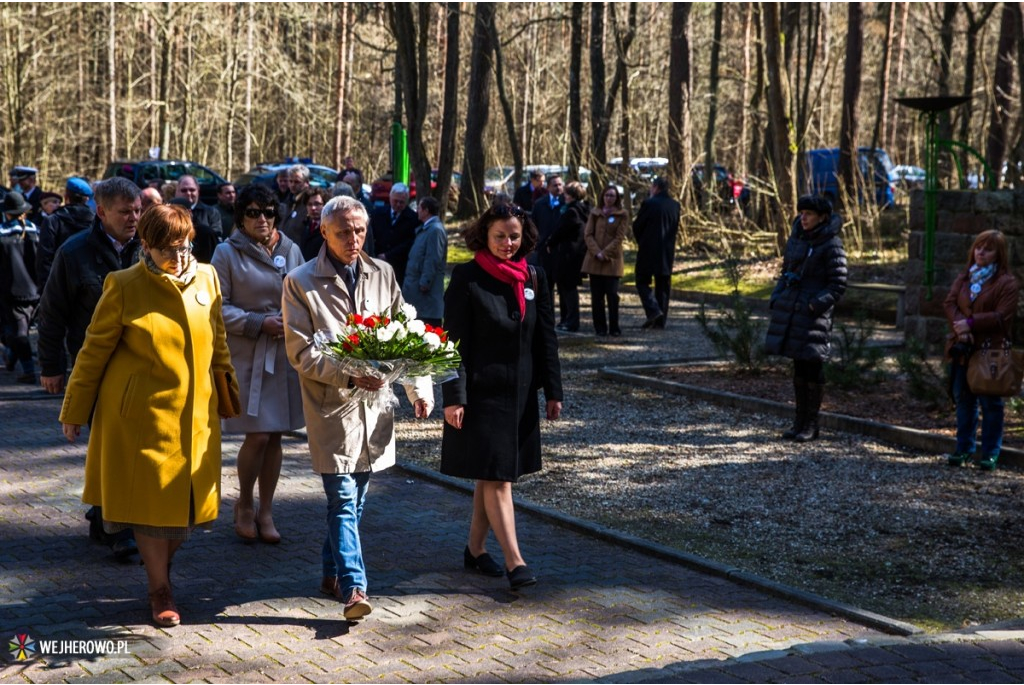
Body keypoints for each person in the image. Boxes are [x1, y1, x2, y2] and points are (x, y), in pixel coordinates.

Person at [59, 203, 236, 627]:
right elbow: (93, 351)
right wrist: (75, 409)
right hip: (141, 419)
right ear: (146, 245)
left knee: (184, 510)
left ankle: (160, 575)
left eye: (184, 245)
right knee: (149, 508)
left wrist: (227, 392)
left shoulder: (207, 278)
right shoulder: (122, 285)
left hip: (196, 419)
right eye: (167, 249)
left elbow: (219, 340)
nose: (178, 257)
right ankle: (160, 590)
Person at [282, 195, 433, 621]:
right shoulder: (299, 282)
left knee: (357, 497)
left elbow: (407, 332)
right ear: (324, 231)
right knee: (343, 499)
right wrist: (348, 375)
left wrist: (418, 389)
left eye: (360, 230)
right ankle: (354, 588)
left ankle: (331, 572)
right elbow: (301, 353)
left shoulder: (382, 272)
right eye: (344, 231)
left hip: (377, 405)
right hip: (333, 405)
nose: (353, 238)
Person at [441, 204, 563, 591]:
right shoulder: (467, 277)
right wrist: (454, 396)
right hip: (481, 396)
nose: (508, 243)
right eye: (500, 236)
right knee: (498, 478)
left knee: (490, 475)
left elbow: (546, 338)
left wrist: (553, 392)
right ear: (485, 235)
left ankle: (474, 550)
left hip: (521, 394)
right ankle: (516, 561)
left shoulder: (535, 277)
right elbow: (452, 344)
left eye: (514, 236)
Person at [37, 176, 143, 562]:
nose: (134, 218)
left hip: (140, 369)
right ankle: (117, 528)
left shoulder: (148, 249)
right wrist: (51, 367)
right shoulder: (74, 252)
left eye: (137, 210)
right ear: (101, 212)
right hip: (94, 366)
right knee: (108, 446)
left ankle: (106, 517)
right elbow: (52, 314)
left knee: (125, 447)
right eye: (124, 212)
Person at [212, 184, 305, 544]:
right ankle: (244, 503)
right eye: (252, 212)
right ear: (240, 216)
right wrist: (257, 322)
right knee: (258, 434)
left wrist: (293, 321)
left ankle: (267, 509)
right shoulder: (226, 252)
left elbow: (304, 294)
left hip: (283, 354)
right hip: (249, 354)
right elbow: (217, 307)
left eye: (267, 211)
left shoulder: (291, 249)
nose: (261, 219)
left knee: (276, 435)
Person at [764, 194, 847, 443]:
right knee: (799, 367)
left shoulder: (832, 244)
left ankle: (811, 424)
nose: (803, 218)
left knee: (813, 367)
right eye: (802, 213)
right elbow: (785, 271)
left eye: (808, 214)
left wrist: (813, 305)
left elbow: (838, 284)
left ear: (821, 217)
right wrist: (777, 297)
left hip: (813, 317)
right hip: (793, 312)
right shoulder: (797, 239)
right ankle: (799, 422)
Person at [943, 230, 1019, 471]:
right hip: (963, 348)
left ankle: (990, 453)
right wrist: (961, 328)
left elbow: (1001, 316)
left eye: (987, 249)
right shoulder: (966, 276)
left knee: (990, 403)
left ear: (999, 254)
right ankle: (963, 448)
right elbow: (950, 303)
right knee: (964, 401)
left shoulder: (1007, 283)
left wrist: (972, 323)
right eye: (978, 247)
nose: (981, 252)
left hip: (989, 352)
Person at [0, 191, 41, 384]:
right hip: (35, 288)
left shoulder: (2, 232)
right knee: (19, 327)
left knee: (19, 331)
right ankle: (11, 356)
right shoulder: (35, 229)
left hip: (12, 290)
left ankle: (28, 369)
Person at [632, 176, 681, 329]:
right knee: (663, 286)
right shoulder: (675, 205)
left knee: (641, 281)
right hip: (667, 250)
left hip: (648, 248)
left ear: (655, 187)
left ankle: (653, 310)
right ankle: (660, 321)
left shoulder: (649, 203)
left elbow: (637, 226)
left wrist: (642, 241)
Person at [582, 184, 629, 337]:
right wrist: (597, 252)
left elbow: (619, 237)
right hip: (595, 260)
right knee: (597, 297)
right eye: (607, 195)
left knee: (612, 295)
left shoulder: (622, 214)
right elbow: (588, 234)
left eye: (612, 196)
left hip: (612, 261)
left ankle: (614, 327)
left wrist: (605, 252)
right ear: (602, 196)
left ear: (617, 198)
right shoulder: (595, 213)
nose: (609, 198)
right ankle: (600, 328)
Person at [36, 177, 95, 290]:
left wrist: (46, 290)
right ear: (87, 199)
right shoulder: (96, 222)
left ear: (66, 197)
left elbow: (44, 259)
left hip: (58, 285)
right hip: (89, 286)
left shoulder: (52, 221)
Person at [546, 181, 590, 332]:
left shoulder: (572, 212)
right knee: (565, 289)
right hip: (574, 255)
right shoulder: (583, 210)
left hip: (568, 256)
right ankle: (566, 319)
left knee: (568, 290)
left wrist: (549, 242)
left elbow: (560, 231)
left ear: (571, 196)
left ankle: (571, 321)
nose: (563, 196)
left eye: (566, 194)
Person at [402, 196, 447, 327]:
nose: (417, 211)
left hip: (424, 294)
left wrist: (425, 282)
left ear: (426, 210)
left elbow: (433, 258)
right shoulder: (427, 228)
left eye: (419, 208)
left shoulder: (435, 230)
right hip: (416, 289)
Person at [369, 182, 418, 286]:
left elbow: (410, 242)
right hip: (377, 261)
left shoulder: (413, 218)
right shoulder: (378, 213)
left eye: (402, 202)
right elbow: (371, 236)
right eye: (396, 201)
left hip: (399, 265)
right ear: (390, 198)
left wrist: (389, 255)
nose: (398, 205)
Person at [528, 174, 564, 306]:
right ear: (548, 187)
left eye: (560, 185)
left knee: (564, 289)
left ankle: (566, 321)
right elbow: (533, 226)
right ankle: (549, 320)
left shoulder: (567, 203)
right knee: (546, 288)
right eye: (555, 185)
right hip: (544, 252)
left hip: (562, 252)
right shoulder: (539, 204)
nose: (558, 188)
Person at [175, 175, 223, 254]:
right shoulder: (169, 211)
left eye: (192, 190)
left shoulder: (211, 212)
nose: (188, 193)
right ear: (177, 191)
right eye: (184, 190)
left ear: (198, 190)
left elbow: (216, 238)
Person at [294, 187, 328, 262]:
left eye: (317, 204)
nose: (313, 208)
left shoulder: (329, 228)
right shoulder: (305, 225)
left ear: (325, 205)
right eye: (309, 204)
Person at [280, 164, 312, 243]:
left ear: (306, 183)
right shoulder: (289, 200)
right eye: (290, 181)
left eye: (297, 182)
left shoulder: (310, 203)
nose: (293, 185)